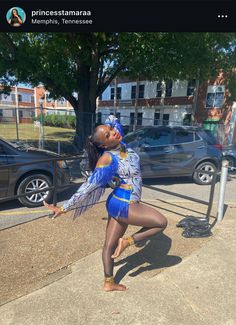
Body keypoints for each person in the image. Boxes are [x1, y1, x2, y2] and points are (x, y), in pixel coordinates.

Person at [44, 116, 168, 292]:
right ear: (103, 145)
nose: (114, 133)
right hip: (126, 203)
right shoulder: (107, 158)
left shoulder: (119, 140)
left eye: (111, 130)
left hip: (117, 202)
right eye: (108, 135)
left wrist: (111, 121)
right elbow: (88, 187)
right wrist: (64, 207)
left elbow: (115, 123)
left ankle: (108, 282)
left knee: (109, 245)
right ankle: (127, 242)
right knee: (161, 222)